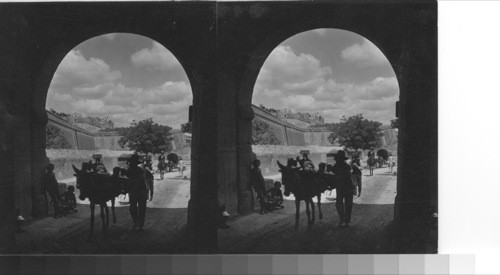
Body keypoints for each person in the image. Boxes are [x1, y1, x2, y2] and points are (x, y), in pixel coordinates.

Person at [123, 154, 148, 231]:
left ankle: (138, 223)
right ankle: (139, 223)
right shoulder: (132, 170)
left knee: (135, 208)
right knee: (139, 208)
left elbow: (140, 180)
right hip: (139, 191)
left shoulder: (134, 170)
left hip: (138, 191)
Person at [332, 150, 353, 227]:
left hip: (347, 187)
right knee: (341, 204)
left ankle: (346, 220)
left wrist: (336, 177)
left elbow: (345, 175)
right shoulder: (335, 166)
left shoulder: (346, 166)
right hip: (342, 188)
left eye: (338, 159)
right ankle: (344, 220)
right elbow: (332, 173)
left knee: (346, 204)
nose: (337, 160)